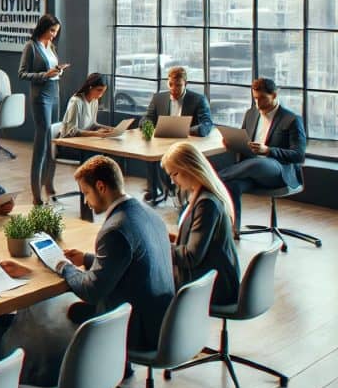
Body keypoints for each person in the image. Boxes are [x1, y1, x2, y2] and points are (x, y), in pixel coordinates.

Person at [57, 156, 174, 351]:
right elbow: (132, 263)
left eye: (86, 193)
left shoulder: (115, 230)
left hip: (136, 331)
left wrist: (64, 267)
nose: (86, 202)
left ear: (101, 187)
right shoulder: (148, 213)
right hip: (162, 320)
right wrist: (86, 258)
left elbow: (92, 291)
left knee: (66, 309)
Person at [218, 77, 307, 235]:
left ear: (274, 95)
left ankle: (214, 178)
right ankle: (234, 231)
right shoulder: (251, 114)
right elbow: (245, 143)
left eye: (263, 99)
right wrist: (233, 144)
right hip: (251, 170)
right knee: (233, 185)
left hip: (278, 172)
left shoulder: (292, 119)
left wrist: (268, 151)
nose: (258, 104)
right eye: (255, 99)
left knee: (257, 164)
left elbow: (299, 156)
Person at [161, 142, 241, 307]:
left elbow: (191, 257)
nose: (173, 181)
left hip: (213, 288)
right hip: (209, 278)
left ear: (189, 168)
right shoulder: (200, 196)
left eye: (174, 174)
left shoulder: (207, 204)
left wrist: (158, 248)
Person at [142, 66, 214, 202]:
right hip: (162, 141)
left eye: (178, 85)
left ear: (185, 84)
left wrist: (186, 129)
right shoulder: (158, 98)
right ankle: (156, 190)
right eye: (170, 84)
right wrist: (152, 128)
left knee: (180, 160)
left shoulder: (198, 99)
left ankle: (181, 197)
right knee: (149, 153)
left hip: (186, 144)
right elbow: (145, 119)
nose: (173, 88)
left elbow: (207, 124)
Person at [19, 13, 68, 205]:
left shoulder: (51, 46)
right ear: (44, 28)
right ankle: (36, 192)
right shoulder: (31, 46)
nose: (54, 35)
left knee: (53, 140)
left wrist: (58, 71)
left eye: (56, 31)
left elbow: (52, 69)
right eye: (52, 30)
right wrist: (44, 75)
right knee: (41, 143)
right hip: (41, 96)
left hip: (55, 92)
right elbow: (22, 73)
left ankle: (49, 183)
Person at [59, 73, 113, 138]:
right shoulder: (76, 101)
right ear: (90, 87)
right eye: (99, 90)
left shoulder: (94, 100)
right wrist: (96, 133)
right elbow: (72, 130)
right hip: (69, 142)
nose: (100, 95)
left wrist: (111, 129)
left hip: (84, 140)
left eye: (103, 92)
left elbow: (93, 124)